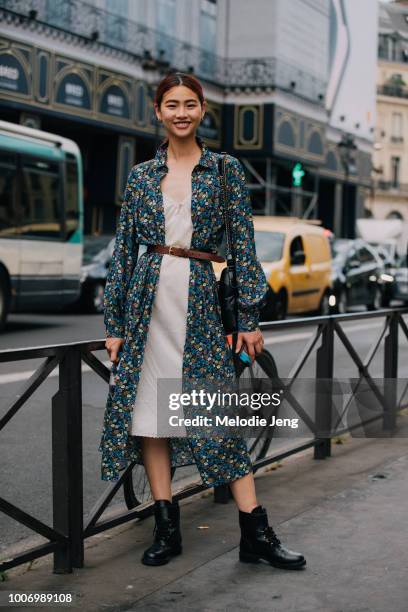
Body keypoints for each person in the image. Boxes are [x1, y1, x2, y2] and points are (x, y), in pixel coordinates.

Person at [99, 71, 306, 570]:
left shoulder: (225, 169)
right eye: (172, 104)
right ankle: (166, 527)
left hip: (198, 301)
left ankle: (255, 531)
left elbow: (243, 244)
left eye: (190, 104)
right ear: (158, 111)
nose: (181, 113)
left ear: (202, 110)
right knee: (151, 415)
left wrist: (248, 316)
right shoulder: (142, 175)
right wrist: (116, 323)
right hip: (147, 301)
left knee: (216, 416)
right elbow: (125, 249)